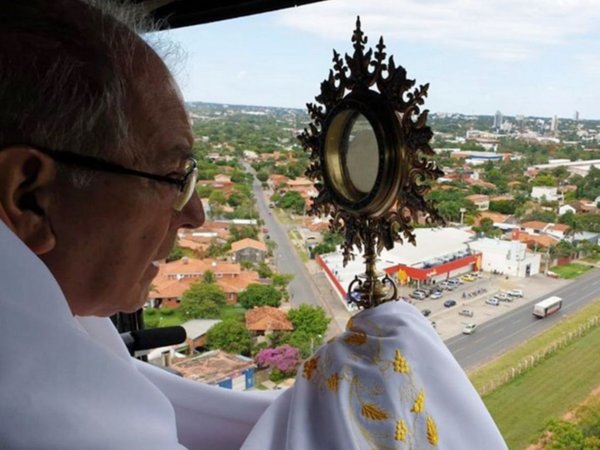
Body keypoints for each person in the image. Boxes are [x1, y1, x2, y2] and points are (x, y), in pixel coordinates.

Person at [0, 1, 508, 449]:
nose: (195, 214)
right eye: (173, 178)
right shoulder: (25, 397)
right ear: (29, 196)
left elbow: (169, 414)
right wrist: (389, 364)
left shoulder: (61, 326)